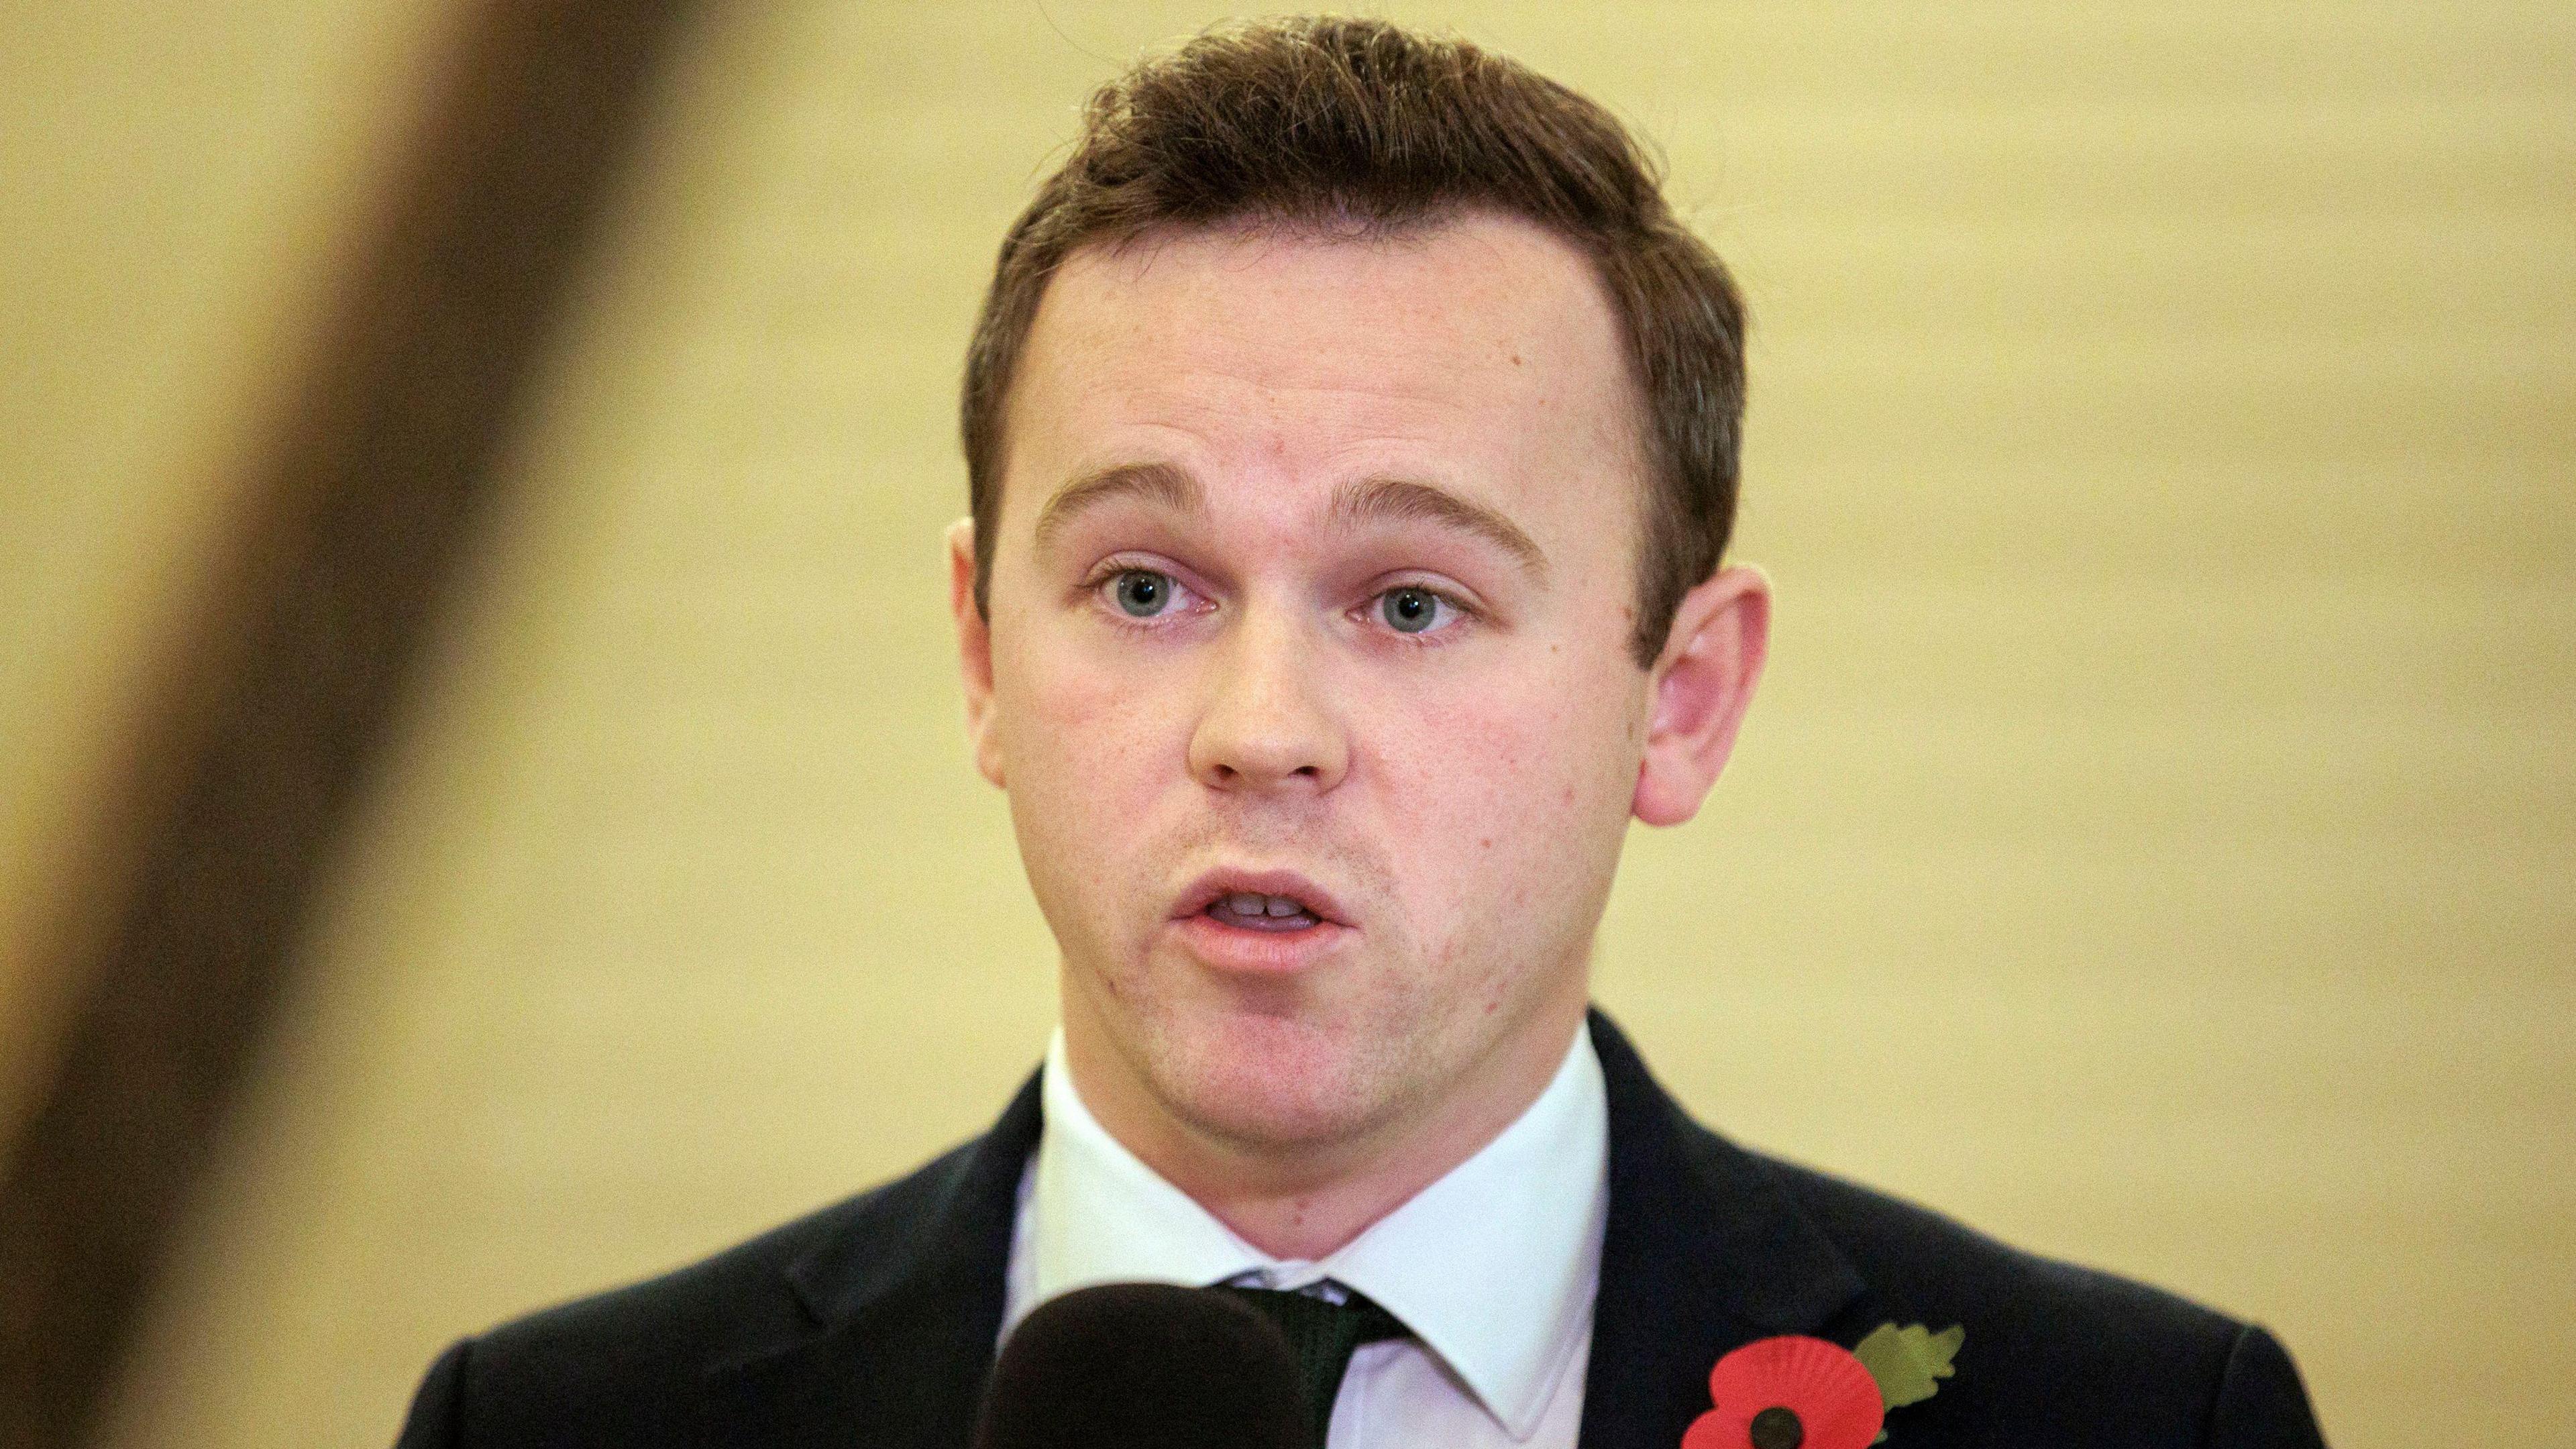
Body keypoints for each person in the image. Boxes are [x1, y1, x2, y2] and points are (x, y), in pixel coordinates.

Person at [395, 17, 2327, 1449]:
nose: (1265, 733)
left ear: (1683, 699)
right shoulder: (558, 1427)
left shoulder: (2135, 1427)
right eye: (1148, 588)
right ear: (982, 654)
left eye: (1412, 604)